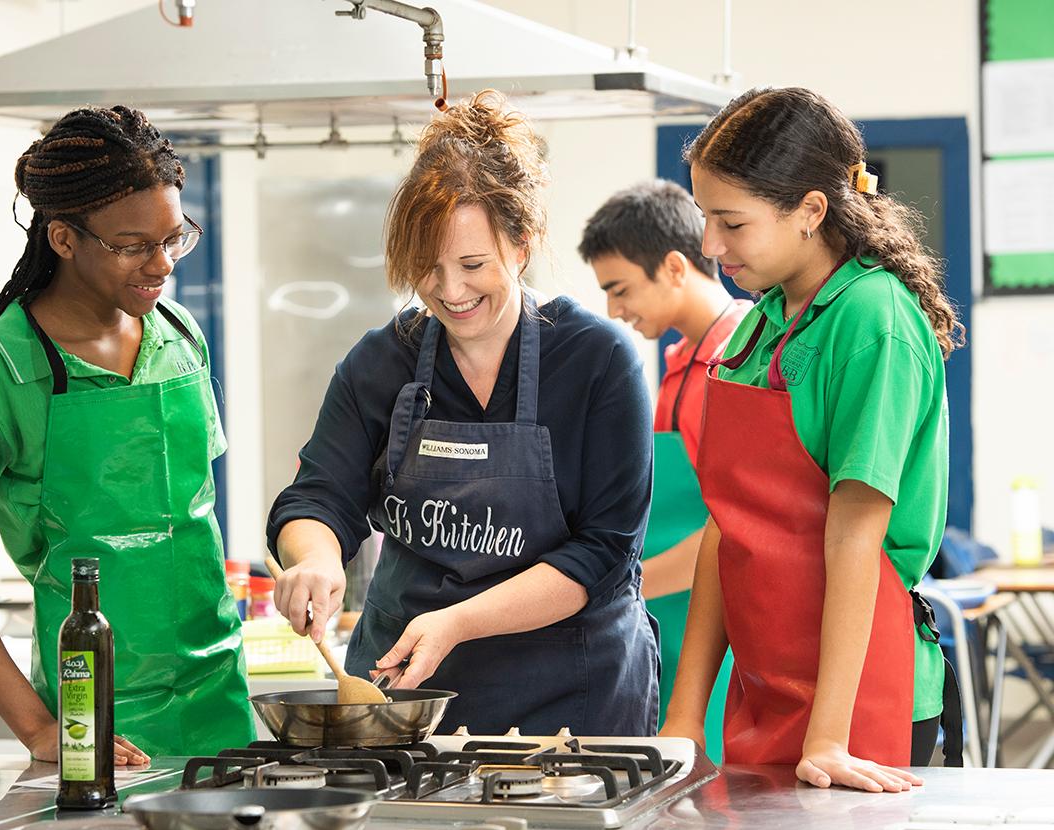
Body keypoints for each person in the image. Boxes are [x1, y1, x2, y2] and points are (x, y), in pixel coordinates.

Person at [267, 90, 658, 735]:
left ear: (522, 244)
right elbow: (318, 496)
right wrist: (315, 558)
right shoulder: (381, 362)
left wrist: (461, 620)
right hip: (404, 701)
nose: (450, 291)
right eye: (427, 267)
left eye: (473, 264)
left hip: (570, 700)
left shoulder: (595, 361)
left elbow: (604, 552)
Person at [0, 106, 254, 762]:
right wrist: (39, 729)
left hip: (221, 706)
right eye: (132, 246)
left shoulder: (179, 336)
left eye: (174, 239)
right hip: (96, 723)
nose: (162, 265)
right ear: (64, 239)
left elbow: (189, 525)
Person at [660, 87, 964, 791]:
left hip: (857, 703)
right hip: (764, 690)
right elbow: (726, 531)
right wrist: (684, 714)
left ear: (811, 212)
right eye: (707, 219)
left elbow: (854, 537)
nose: (710, 246)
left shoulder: (872, 321)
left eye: (731, 222)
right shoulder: (763, 321)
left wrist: (827, 735)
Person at [578, 180, 750, 762]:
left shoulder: (743, 360)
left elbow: (731, 526)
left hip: (718, 632)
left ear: (675, 267)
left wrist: (618, 595)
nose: (613, 310)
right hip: (664, 619)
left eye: (620, 289)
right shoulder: (678, 364)